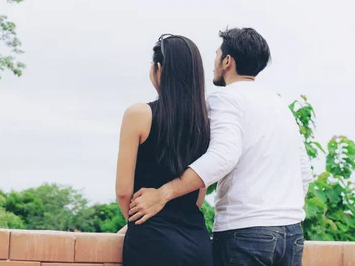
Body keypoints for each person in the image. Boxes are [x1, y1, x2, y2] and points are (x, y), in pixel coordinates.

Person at [128, 27, 313, 266]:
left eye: (216, 55)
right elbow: (304, 173)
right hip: (292, 234)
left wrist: (163, 194)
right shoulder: (280, 105)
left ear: (227, 61)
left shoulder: (225, 98)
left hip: (246, 233)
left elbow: (223, 156)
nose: (214, 63)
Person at [116, 34, 212, 266]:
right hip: (198, 244)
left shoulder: (139, 115)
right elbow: (198, 195)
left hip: (152, 243)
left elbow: (123, 192)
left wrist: (137, 220)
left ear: (159, 68)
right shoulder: (206, 124)